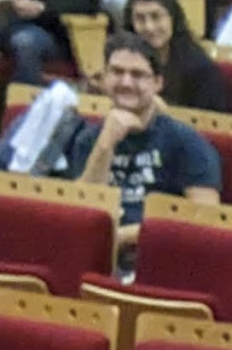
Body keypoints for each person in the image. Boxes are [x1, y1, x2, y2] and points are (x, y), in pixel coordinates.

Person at [58, 33, 221, 242]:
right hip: (97, 250)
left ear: (158, 83)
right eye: (117, 72)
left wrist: (122, 236)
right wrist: (105, 146)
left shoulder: (187, 142)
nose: (126, 82)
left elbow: (205, 220)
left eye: (138, 75)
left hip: (160, 251)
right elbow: (81, 211)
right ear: (104, 78)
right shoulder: (90, 139)